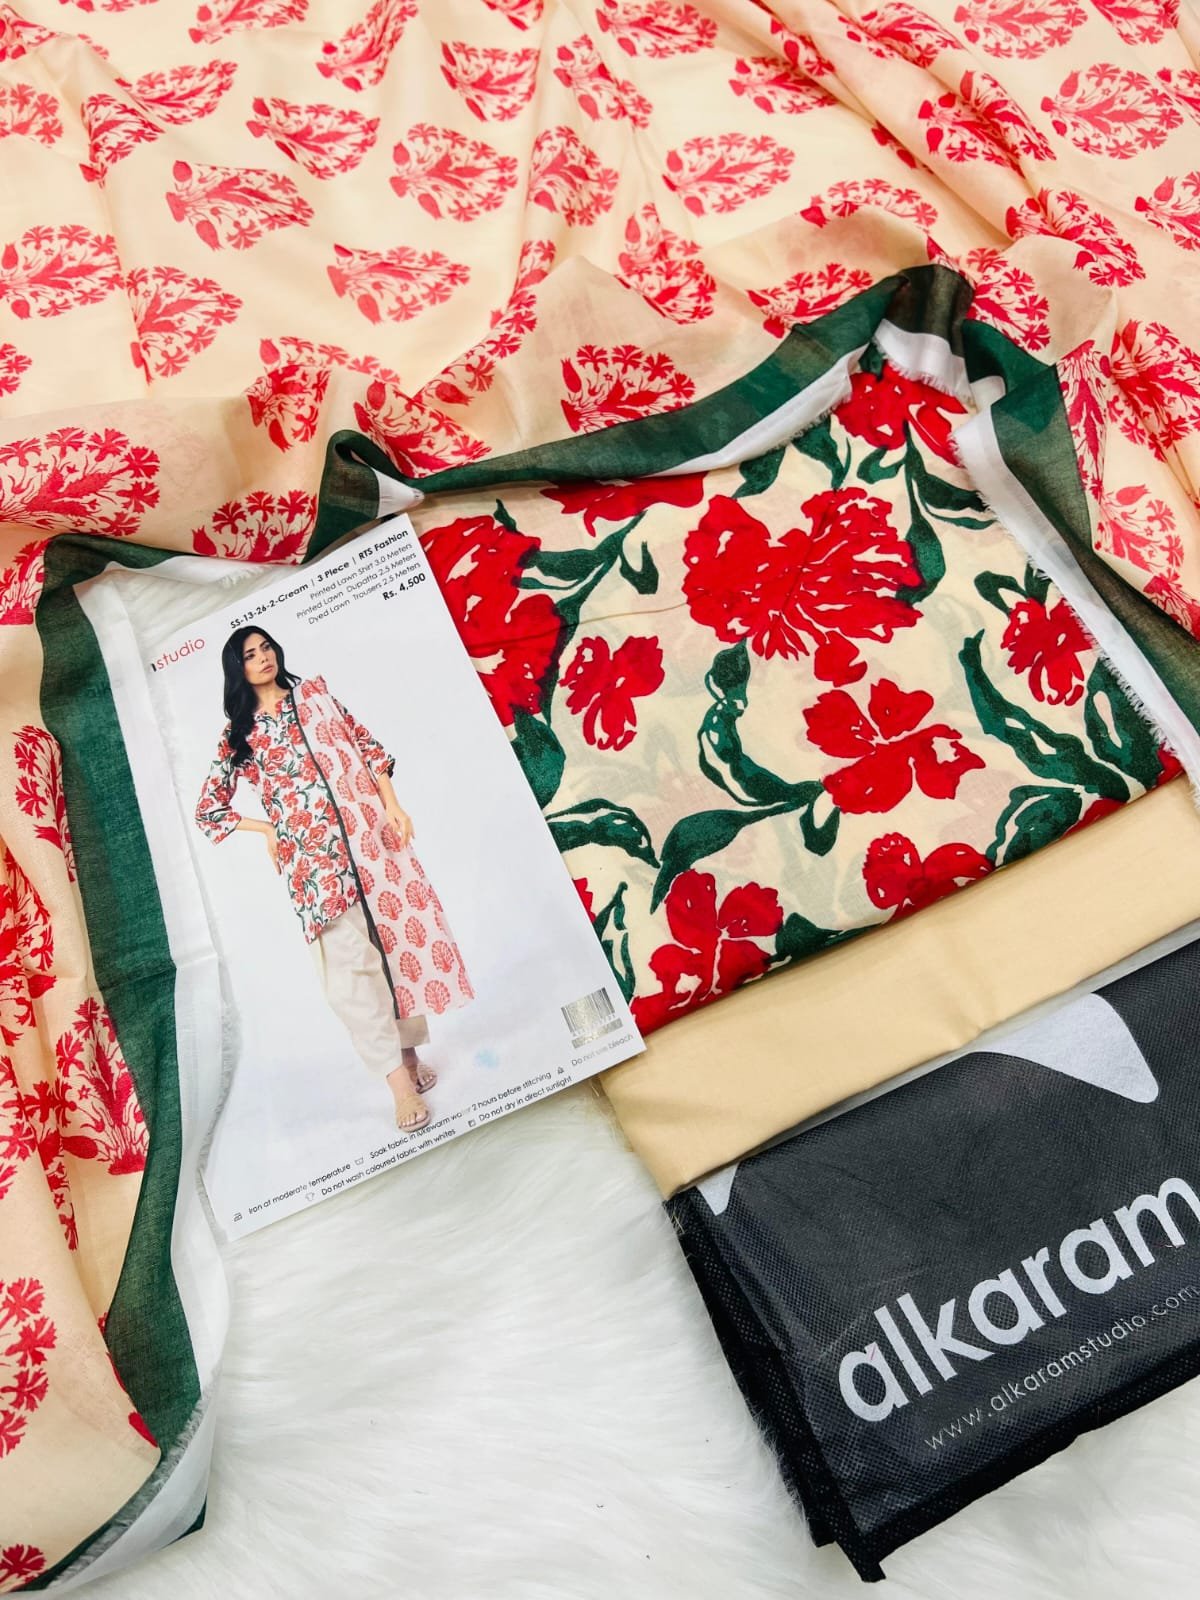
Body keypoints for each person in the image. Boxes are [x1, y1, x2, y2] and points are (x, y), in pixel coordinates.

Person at [195, 626, 473, 1131]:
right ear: (238, 668)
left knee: (394, 952)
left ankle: (410, 1056)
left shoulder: (316, 697)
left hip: (371, 843)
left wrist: (393, 805)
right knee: (351, 976)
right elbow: (209, 808)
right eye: (250, 655)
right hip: (314, 867)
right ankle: (398, 1086)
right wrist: (267, 829)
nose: (263, 658)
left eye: (266, 648)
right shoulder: (239, 734)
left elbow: (368, 749)